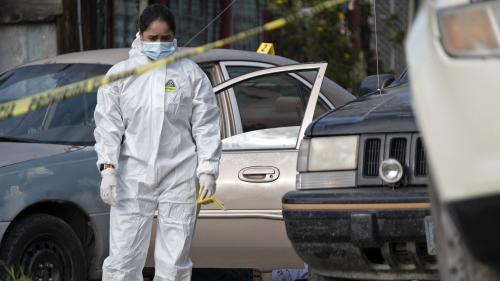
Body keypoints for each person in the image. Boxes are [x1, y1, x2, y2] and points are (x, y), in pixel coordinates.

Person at [93, 4, 221, 281]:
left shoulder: (190, 74)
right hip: (133, 174)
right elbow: (108, 126)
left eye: (166, 38)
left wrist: (208, 169)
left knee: (174, 260)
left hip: (180, 174)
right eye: (153, 38)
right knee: (123, 257)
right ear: (139, 34)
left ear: (174, 37)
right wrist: (108, 169)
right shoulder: (120, 75)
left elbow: (207, 125)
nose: (159, 44)